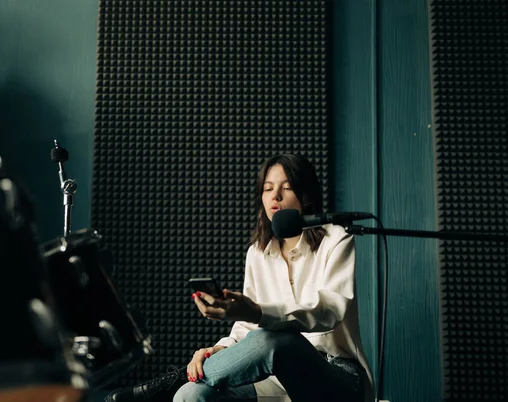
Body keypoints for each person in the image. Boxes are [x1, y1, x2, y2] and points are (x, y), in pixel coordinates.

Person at [106, 154, 374, 402]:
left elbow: (330, 311)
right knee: (191, 394)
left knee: (274, 339)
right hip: (274, 381)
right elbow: (246, 331)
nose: (275, 197)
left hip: (336, 376)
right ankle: (180, 384)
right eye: (268, 189)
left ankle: (167, 384)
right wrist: (219, 350)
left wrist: (258, 312)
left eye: (287, 188)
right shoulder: (257, 253)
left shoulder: (336, 238)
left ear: (305, 196)